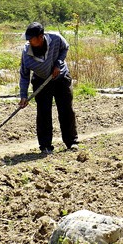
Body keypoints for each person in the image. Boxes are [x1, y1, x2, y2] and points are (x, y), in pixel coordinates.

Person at [18, 21, 78, 154]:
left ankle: (71, 142)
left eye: (31, 39)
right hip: (40, 80)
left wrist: (58, 64)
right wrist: (23, 95)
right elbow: (24, 74)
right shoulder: (27, 52)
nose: (28, 42)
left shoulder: (55, 38)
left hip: (60, 77)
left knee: (66, 109)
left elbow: (65, 48)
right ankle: (45, 146)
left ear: (40, 37)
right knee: (43, 112)